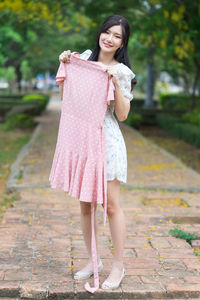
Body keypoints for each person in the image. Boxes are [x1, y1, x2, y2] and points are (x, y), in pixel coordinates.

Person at [58, 14, 136, 290]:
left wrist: (114, 82)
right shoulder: (86, 59)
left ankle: (118, 265)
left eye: (117, 36)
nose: (110, 38)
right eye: (107, 32)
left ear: (122, 43)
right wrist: (67, 64)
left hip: (107, 141)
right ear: (100, 32)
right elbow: (69, 100)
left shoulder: (123, 72)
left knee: (112, 206)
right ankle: (94, 260)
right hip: (83, 140)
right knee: (85, 205)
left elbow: (123, 115)